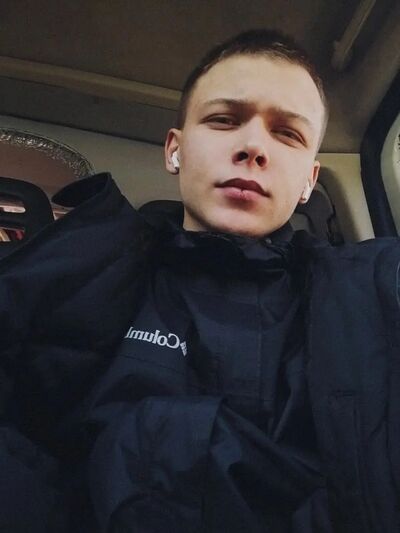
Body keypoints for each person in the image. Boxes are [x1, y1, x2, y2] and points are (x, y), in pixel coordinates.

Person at [0, 30, 399, 533]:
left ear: (309, 183)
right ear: (175, 150)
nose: (253, 146)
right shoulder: (77, 277)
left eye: (287, 134)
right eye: (224, 120)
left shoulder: (368, 291)